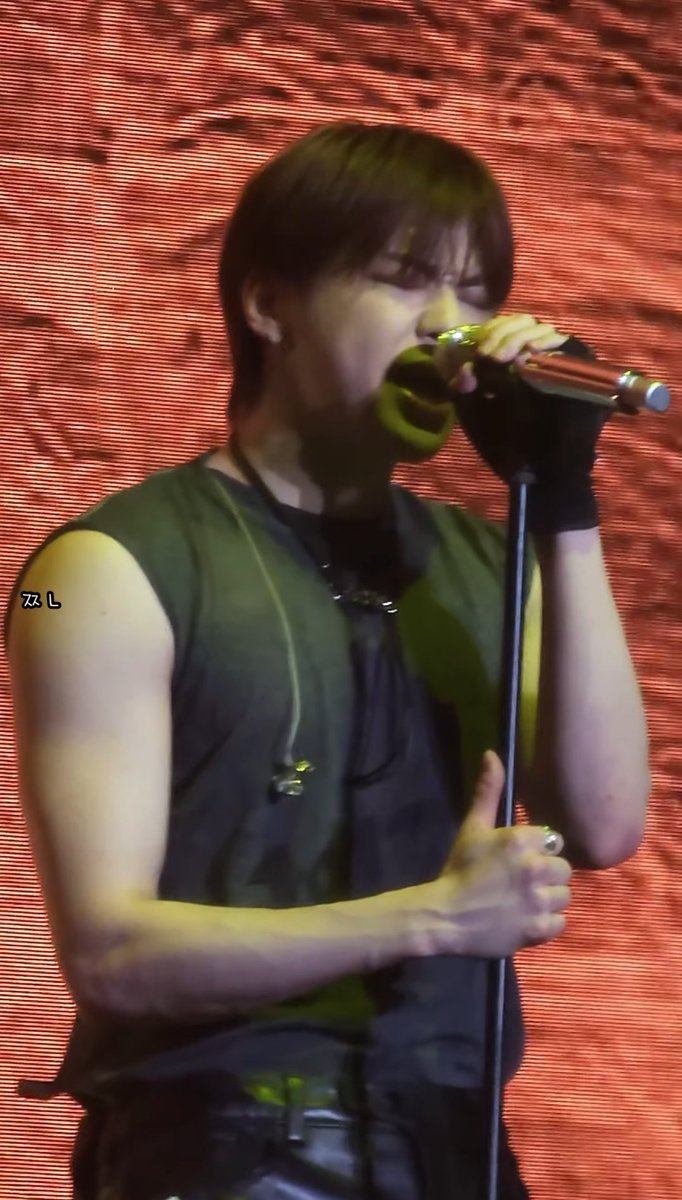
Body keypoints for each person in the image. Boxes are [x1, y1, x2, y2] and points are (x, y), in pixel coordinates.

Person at [6, 123, 649, 1200]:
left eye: (475, 293)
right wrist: (435, 918)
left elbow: (606, 821)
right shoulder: (94, 570)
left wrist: (563, 506)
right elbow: (110, 952)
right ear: (270, 305)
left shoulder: (490, 560)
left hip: (456, 1147)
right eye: (404, 281)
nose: (449, 327)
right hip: (226, 1151)